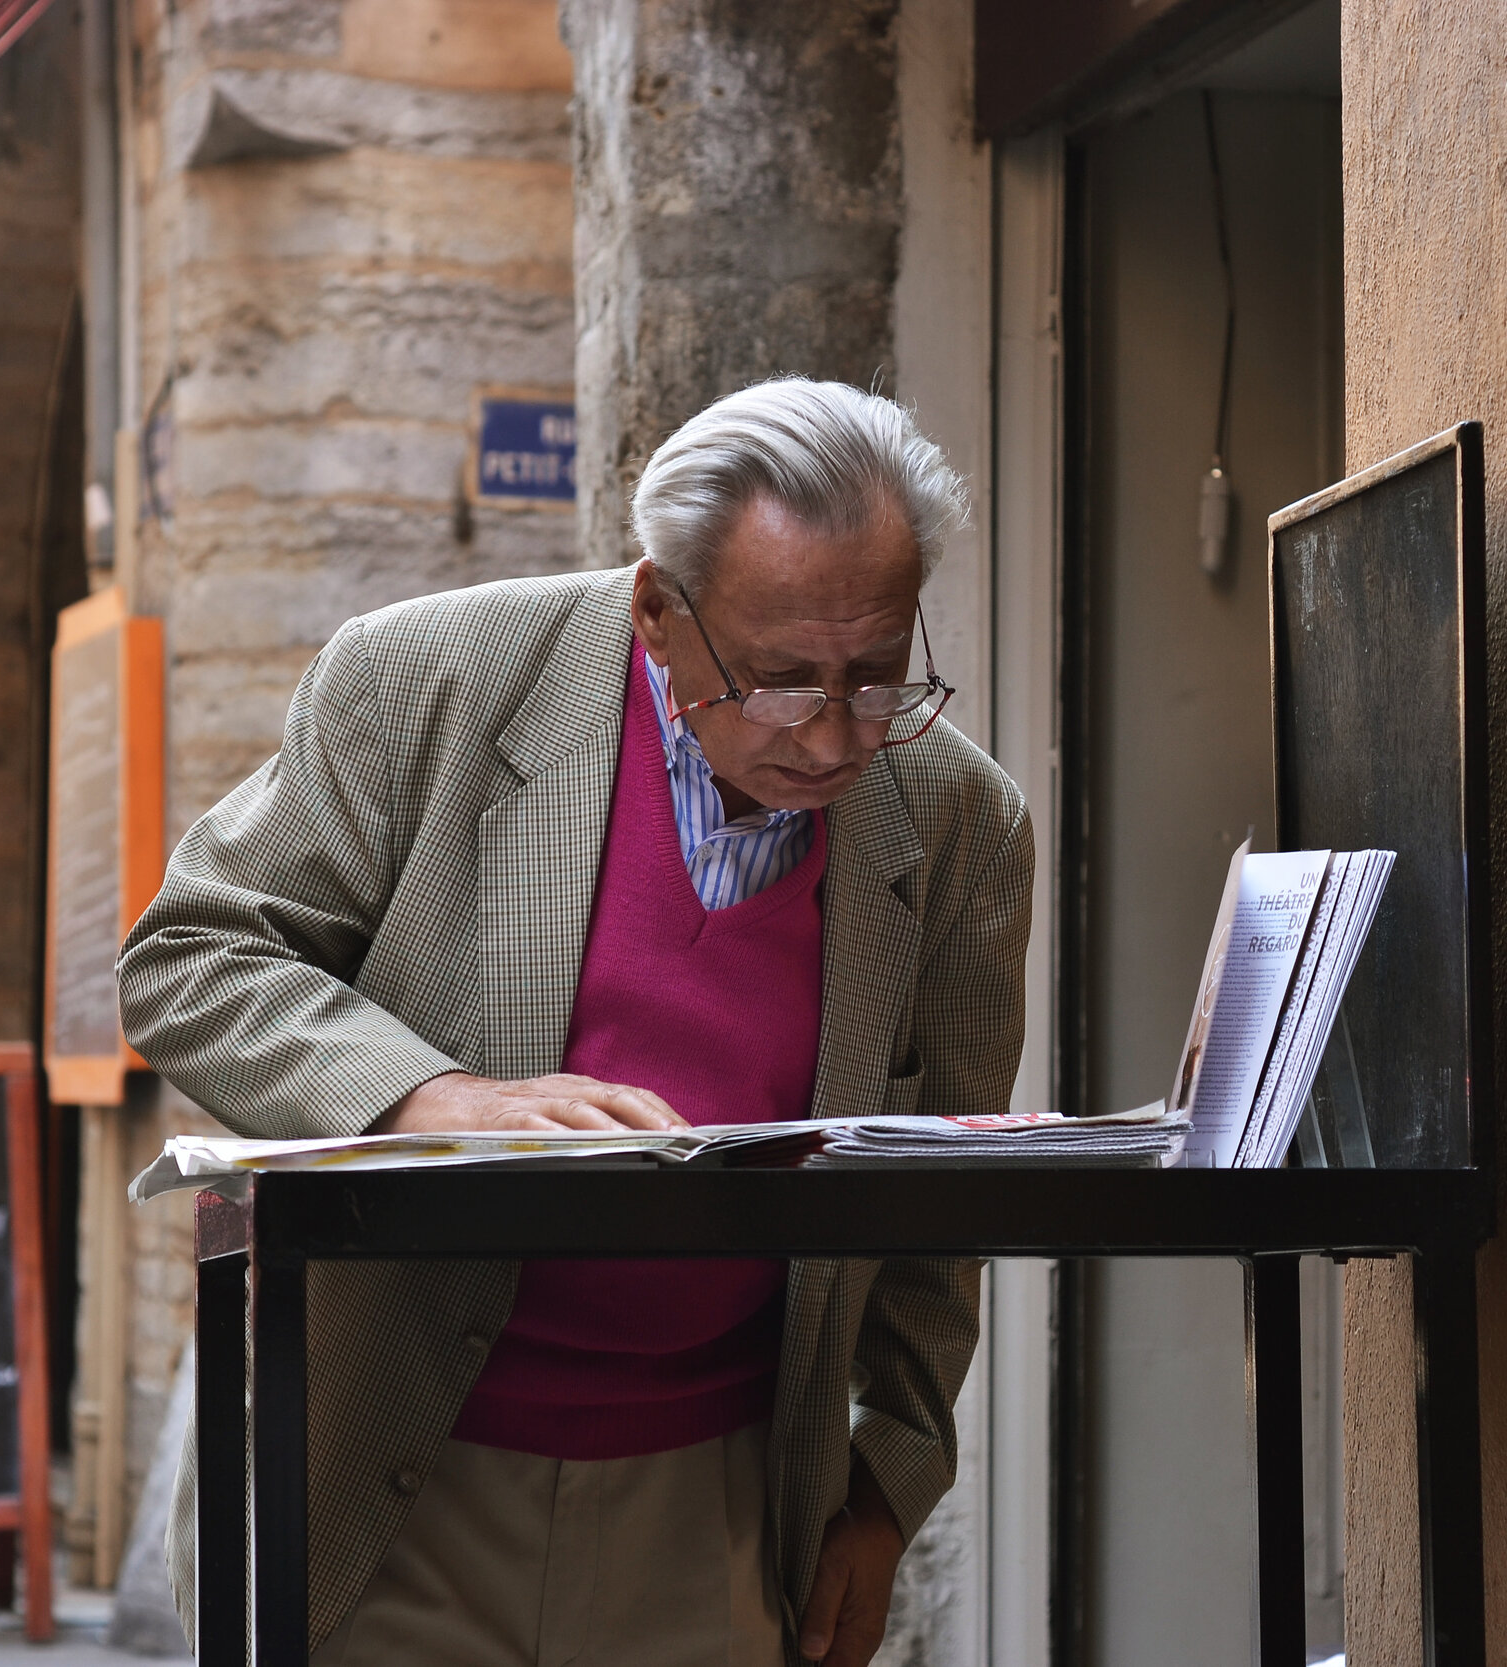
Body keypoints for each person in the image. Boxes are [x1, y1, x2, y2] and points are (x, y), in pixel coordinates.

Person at [118, 378, 1034, 1667]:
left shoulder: (955, 823)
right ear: (660, 609)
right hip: (394, 1466)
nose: (833, 737)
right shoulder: (428, 679)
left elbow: (945, 1193)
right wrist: (430, 1102)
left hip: (714, 1497)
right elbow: (190, 955)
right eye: (779, 682)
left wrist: (882, 1491)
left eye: (876, 676)